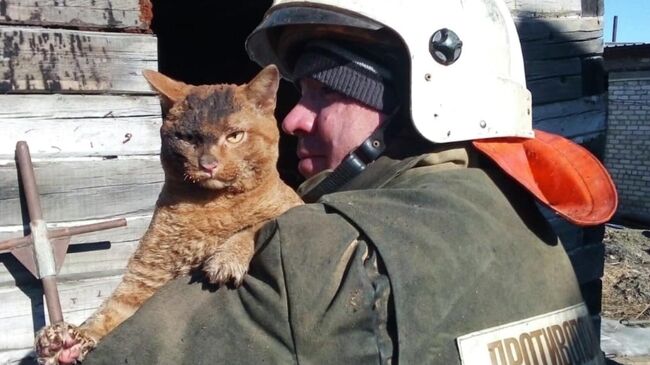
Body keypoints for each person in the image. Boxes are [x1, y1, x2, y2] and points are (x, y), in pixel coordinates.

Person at [81, 0, 616, 364]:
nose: (292, 121)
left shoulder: (318, 251)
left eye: (322, 94)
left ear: (414, 105)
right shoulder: (531, 226)